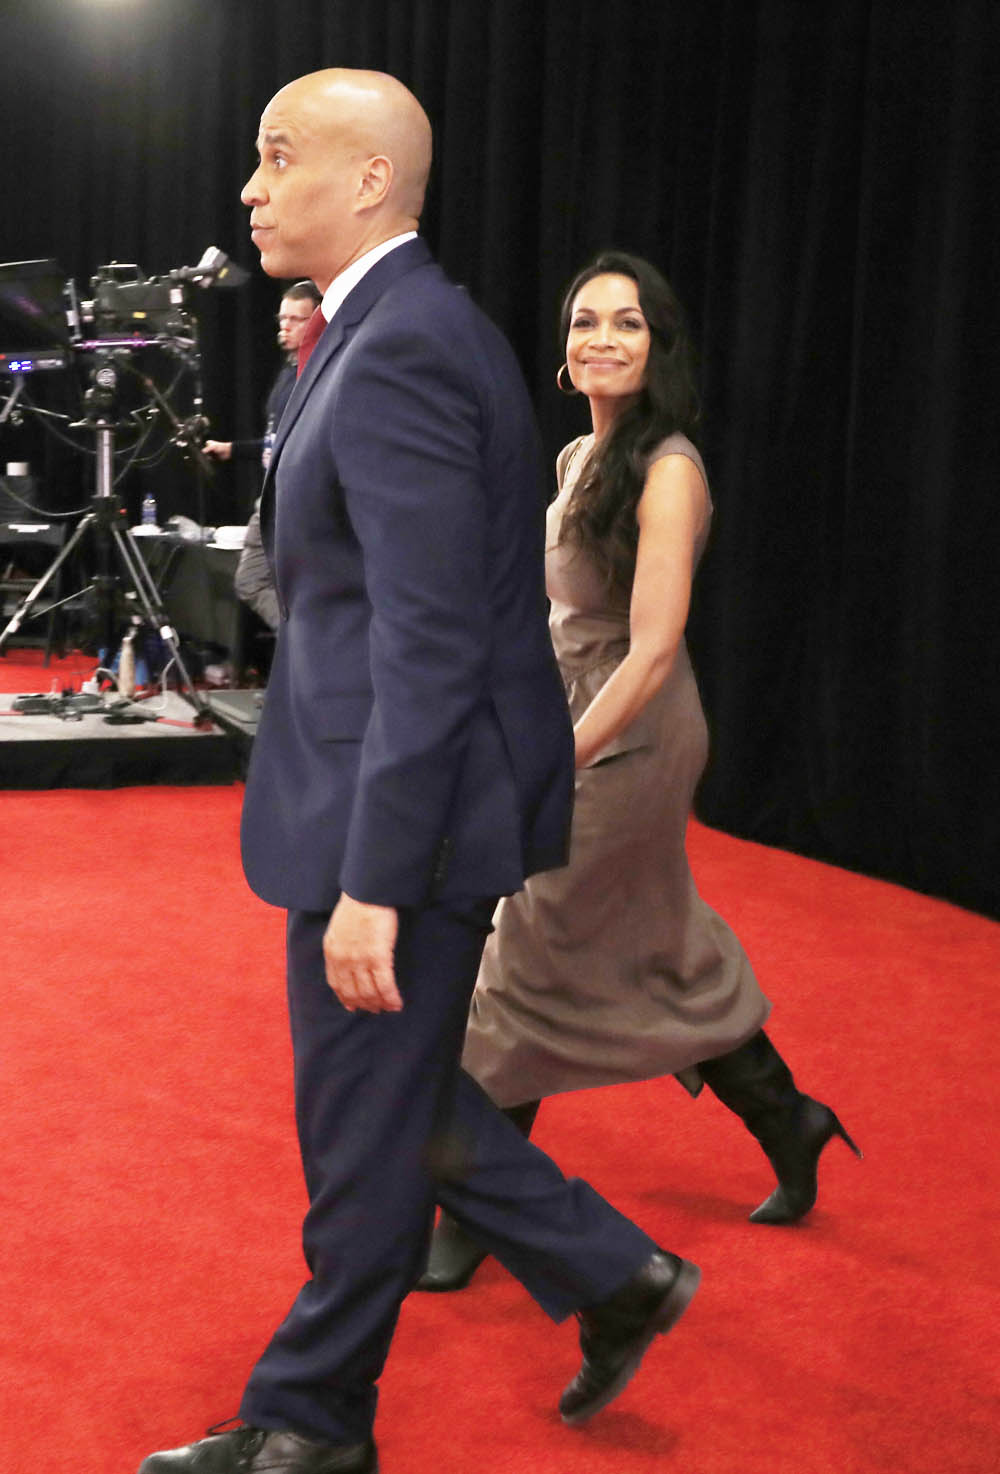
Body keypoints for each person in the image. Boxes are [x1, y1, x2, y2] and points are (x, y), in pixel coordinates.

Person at [137, 73, 703, 1474]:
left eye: (279, 159)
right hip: (382, 788)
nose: (252, 188)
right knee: (381, 1097)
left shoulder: (404, 346)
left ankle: (315, 1415)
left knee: (359, 1121)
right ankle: (612, 1268)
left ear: (373, 180)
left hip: (405, 816)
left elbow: (430, 642)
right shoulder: (368, 331)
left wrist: (376, 882)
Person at [419, 251, 862, 1294]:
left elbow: (651, 648)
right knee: (657, 945)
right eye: (584, 323)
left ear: (658, 345)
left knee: (518, 952)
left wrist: (548, 761)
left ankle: (473, 1204)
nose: (601, 339)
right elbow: (553, 615)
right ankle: (788, 1117)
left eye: (626, 323)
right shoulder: (580, 458)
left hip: (631, 737)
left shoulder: (670, 469)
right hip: (570, 716)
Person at [205, 280, 322, 631]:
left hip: (296, 497)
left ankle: (307, 648)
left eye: (296, 319)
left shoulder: (319, 371)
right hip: (274, 494)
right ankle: (304, 646)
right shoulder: (289, 370)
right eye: (282, 318)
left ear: (317, 320)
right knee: (256, 580)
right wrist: (233, 450)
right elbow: (277, 439)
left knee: (272, 582)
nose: (284, 326)